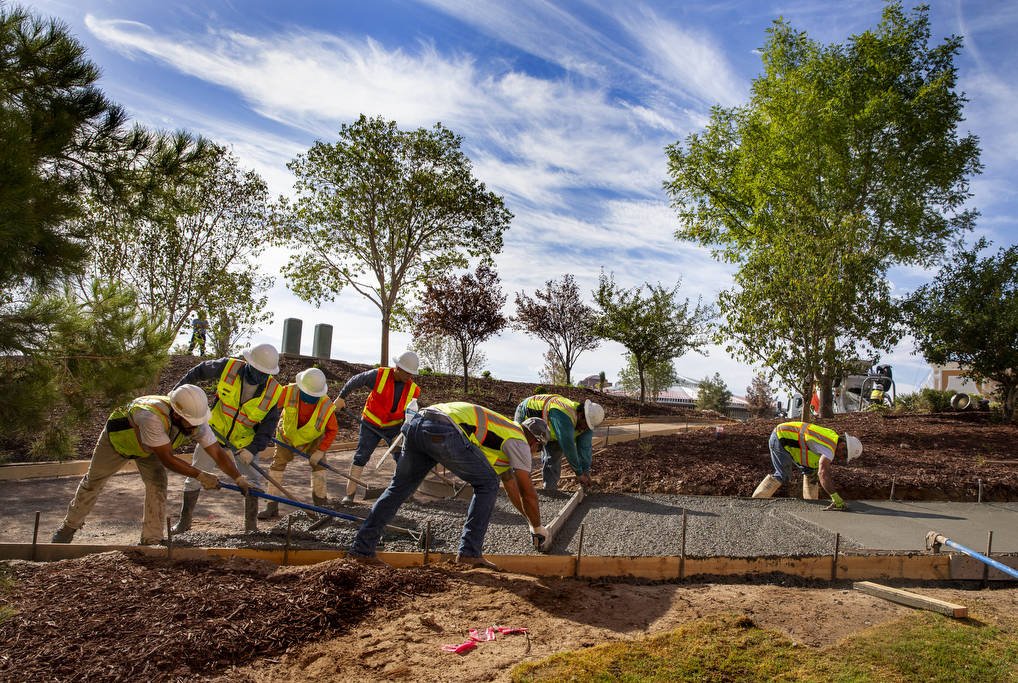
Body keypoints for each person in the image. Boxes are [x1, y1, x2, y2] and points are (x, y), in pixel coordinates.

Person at [348, 402, 552, 568]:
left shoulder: (504, 434)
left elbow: (511, 487)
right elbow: (527, 492)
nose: (534, 453)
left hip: (417, 423)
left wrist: (530, 522)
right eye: (537, 449)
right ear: (536, 442)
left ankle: (362, 549)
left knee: (398, 489)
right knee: (488, 483)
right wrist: (539, 527)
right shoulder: (519, 442)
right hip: (443, 429)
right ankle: (469, 553)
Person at [51, 385, 253, 544]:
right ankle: (68, 528)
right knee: (93, 483)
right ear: (176, 414)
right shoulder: (151, 416)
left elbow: (217, 452)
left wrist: (238, 478)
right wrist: (200, 475)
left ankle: (152, 540)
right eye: (190, 422)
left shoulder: (195, 419)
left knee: (157, 485)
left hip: (149, 449)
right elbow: (167, 459)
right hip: (118, 442)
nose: (194, 427)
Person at [170, 343, 284, 533]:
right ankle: (184, 522)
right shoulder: (228, 367)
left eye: (265, 373)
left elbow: (268, 426)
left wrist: (253, 449)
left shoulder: (274, 391)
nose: (260, 375)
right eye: (257, 370)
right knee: (196, 476)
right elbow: (198, 372)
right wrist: (176, 393)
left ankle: (251, 527)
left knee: (253, 481)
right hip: (213, 432)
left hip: (244, 442)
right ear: (248, 362)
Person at [333, 351, 421, 504]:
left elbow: (410, 413)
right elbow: (355, 380)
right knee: (361, 456)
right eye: (406, 373)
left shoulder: (413, 390)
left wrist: (402, 432)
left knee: (401, 457)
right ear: (397, 368)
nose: (409, 377)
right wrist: (341, 397)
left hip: (394, 428)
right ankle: (349, 494)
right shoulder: (378, 375)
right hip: (370, 423)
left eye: (411, 374)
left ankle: (404, 493)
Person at [258, 367, 339, 518]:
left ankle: (320, 502)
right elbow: (267, 407)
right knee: (277, 465)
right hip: (286, 436)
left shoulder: (326, 405)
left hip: (313, 439)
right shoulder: (288, 391)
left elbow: (332, 430)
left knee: (319, 464)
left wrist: (321, 450)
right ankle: (271, 505)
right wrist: (263, 427)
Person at [751, 421, 862, 511]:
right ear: (843, 445)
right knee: (783, 475)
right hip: (780, 438)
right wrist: (835, 497)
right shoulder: (830, 449)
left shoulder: (833, 436)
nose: (842, 457)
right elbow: (823, 473)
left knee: (811, 472)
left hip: (790, 439)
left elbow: (810, 446)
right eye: (844, 454)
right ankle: (754, 503)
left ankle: (812, 506)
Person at [514, 394, 605, 491]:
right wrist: (579, 473)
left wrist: (585, 471)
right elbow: (568, 447)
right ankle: (516, 487)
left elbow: (585, 448)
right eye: (585, 425)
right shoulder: (564, 416)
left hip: (550, 427)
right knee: (522, 452)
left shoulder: (586, 425)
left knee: (554, 457)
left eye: (588, 427)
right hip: (528, 413)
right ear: (581, 415)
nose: (585, 429)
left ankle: (550, 492)